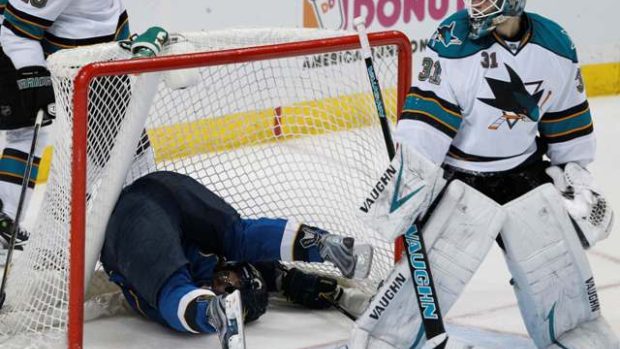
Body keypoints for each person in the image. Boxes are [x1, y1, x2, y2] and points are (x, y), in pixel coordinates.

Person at [348, 1, 617, 348]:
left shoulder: (556, 44)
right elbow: (425, 126)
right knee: (417, 294)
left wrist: (575, 176)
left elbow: (566, 125)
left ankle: (576, 338)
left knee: (562, 286)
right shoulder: (452, 40)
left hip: (524, 174)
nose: (476, 3)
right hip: (462, 177)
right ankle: (384, 341)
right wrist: (408, 185)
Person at [99, 171, 373, 347]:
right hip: (164, 191)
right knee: (238, 235)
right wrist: (289, 280)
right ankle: (322, 244)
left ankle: (211, 313)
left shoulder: (191, 281)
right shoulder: (223, 263)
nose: (226, 284)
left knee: (170, 286)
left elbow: (175, 299)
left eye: (229, 292)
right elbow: (254, 266)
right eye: (235, 282)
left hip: (130, 220)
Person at [0, 0, 157, 254]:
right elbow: (16, 32)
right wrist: (33, 75)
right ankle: (51, 243)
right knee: (126, 158)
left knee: (124, 154)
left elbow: (105, 11)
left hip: (100, 63)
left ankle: (51, 242)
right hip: (81, 66)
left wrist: (124, 45)